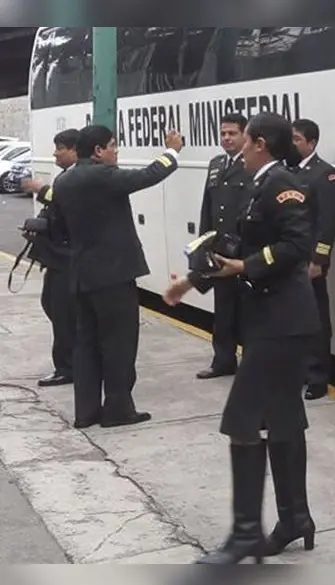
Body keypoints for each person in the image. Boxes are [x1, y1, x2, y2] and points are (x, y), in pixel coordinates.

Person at [162, 111, 319, 564]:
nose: (240, 148)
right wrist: (191, 281)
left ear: (261, 144)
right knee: (283, 417)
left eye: (245, 140)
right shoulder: (257, 184)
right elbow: (234, 244)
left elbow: (296, 247)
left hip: (283, 321)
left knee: (242, 419)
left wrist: (245, 267)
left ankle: (246, 533)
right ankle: (295, 518)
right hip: (273, 319)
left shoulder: (282, 184)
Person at [50, 124, 184, 429]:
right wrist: (172, 151)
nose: (116, 151)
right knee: (118, 344)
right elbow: (150, 175)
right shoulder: (103, 176)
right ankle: (118, 409)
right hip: (113, 277)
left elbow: (59, 228)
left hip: (82, 275)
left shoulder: (64, 181)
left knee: (86, 345)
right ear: (98, 151)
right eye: (113, 146)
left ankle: (86, 412)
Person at [20, 128, 80, 388]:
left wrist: (41, 189)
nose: (55, 154)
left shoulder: (78, 177)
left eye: (60, 149)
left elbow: (66, 202)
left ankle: (67, 367)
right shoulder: (67, 175)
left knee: (63, 312)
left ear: (74, 150)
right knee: (52, 306)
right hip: (58, 258)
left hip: (68, 259)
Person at [195, 112, 250, 380]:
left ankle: (251, 365)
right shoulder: (216, 164)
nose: (226, 138)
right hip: (219, 252)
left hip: (244, 252)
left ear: (244, 135)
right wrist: (204, 244)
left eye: (232, 133)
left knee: (249, 312)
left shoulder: (251, 164)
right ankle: (223, 361)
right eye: (223, 133)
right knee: (223, 310)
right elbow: (208, 207)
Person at [289, 118, 335, 400]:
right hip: (290, 258)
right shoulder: (289, 171)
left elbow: (328, 221)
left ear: (311, 143)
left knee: (316, 319)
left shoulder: (324, 174)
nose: (292, 144)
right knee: (294, 319)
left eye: (297, 139)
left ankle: (318, 378)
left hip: (309, 260)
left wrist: (319, 259)